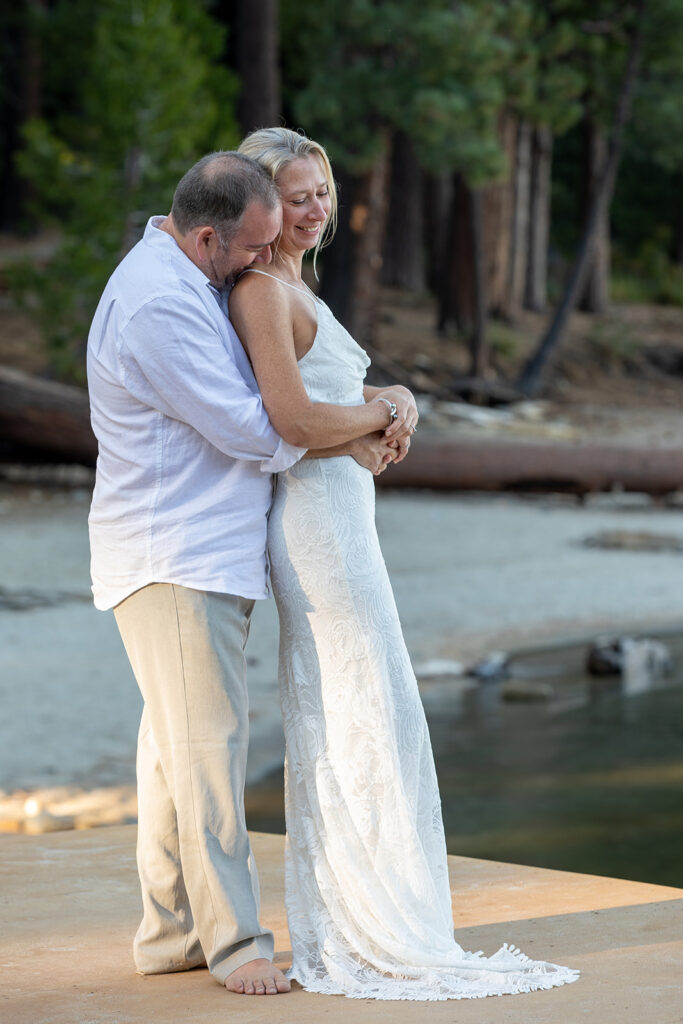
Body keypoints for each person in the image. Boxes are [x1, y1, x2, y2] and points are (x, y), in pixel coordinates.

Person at [229, 126, 580, 1000]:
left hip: (347, 518)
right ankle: (364, 926)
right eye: (293, 196)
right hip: (317, 531)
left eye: (320, 193)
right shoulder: (260, 291)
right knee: (357, 713)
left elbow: (335, 406)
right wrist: (377, 410)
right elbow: (295, 421)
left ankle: (384, 912)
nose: (312, 211)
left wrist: (396, 406)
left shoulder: (296, 282)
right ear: (258, 206)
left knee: (372, 710)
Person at [86, 151, 414, 996]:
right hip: (175, 554)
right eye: (250, 248)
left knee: (172, 753)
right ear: (206, 235)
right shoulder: (159, 303)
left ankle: (170, 934)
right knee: (208, 750)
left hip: (195, 548)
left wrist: (351, 421)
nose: (258, 267)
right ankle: (235, 945)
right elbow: (253, 429)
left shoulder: (186, 276)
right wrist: (370, 420)